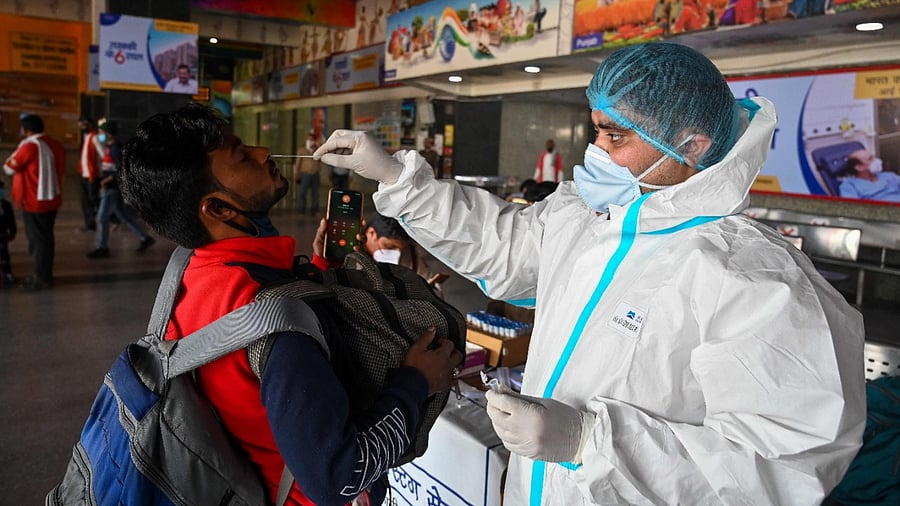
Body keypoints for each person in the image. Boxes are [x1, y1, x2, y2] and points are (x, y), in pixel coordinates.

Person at [315, 42, 866, 505]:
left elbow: (781, 466)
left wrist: (589, 442)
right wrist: (396, 176)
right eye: (596, 129)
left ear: (692, 146)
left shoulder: (752, 279)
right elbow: (502, 244)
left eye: (616, 136)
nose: (594, 150)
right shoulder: (591, 220)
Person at [117, 103, 462, 506]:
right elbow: (338, 476)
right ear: (219, 209)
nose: (264, 153)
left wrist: (318, 271)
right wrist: (417, 382)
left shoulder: (188, 272)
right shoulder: (278, 325)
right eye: (241, 155)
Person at [2, 113, 65, 291]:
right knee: (45, 238)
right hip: (52, 199)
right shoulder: (56, 144)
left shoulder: (29, 146)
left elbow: (8, 167)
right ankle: (44, 274)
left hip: (34, 200)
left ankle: (41, 277)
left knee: (38, 240)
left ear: (26, 130)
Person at [86, 119, 155, 258]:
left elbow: (120, 169)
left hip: (112, 187)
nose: (100, 134)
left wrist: (106, 180)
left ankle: (103, 247)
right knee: (123, 215)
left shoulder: (116, 148)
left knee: (102, 217)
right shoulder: (109, 146)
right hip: (110, 186)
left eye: (102, 132)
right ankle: (144, 237)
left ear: (108, 133)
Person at [77, 117, 103, 232]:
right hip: (84, 174)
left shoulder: (96, 137)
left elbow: (103, 155)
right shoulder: (86, 137)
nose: (82, 127)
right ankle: (90, 224)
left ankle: (113, 216)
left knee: (93, 199)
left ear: (90, 125)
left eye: (84, 124)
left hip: (94, 175)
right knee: (85, 201)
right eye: (80, 125)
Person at [294, 132, 324, 215]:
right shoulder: (302, 149)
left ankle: (314, 210)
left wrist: (318, 148)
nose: (310, 141)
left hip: (315, 174)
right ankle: (301, 209)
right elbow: (298, 162)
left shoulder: (318, 149)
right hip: (305, 174)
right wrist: (296, 173)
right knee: (302, 192)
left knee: (315, 193)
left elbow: (321, 160)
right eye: (309, 139)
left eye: (312, 139)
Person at [0, 179, 17, 288]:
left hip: (2, 234)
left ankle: (7, 273)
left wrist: (12, 231)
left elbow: (11, 220)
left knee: (4, 254)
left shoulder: (6, 205)